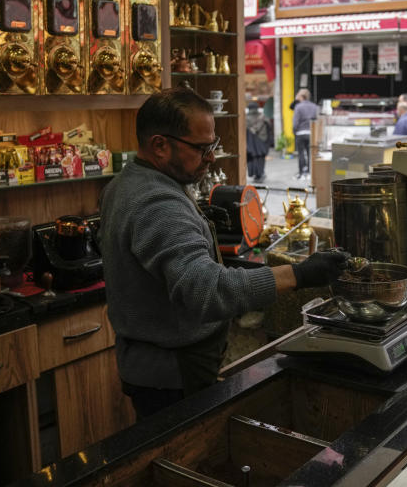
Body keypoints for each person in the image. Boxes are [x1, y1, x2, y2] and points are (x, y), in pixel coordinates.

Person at [99, 87, 349, 419]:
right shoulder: (157, 203)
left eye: (212, 145)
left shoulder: (126, 183)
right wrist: (299, 274)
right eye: (201, 148)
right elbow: (207, 290)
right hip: (173, 376)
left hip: (154, 368)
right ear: (159, 145)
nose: (212, 157)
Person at [292, 88, 318, 180]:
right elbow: (316, 120)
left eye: (298, 94)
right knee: (310, 153)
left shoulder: (298, 107)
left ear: (302, 96)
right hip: (311, 132)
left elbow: (295, 122)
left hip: (300, 133)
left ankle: (301, 173)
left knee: (301, 154)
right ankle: (310, 173)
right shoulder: (314, 106)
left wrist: (294, 131)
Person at [246, 101, 272, 182]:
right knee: (261, 158)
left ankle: (255, 174)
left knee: (252, 158)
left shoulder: (246, 118)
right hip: (262, 141)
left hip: (251, 143)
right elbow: (269, 127)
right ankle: (260, 173)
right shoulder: (263, 117)